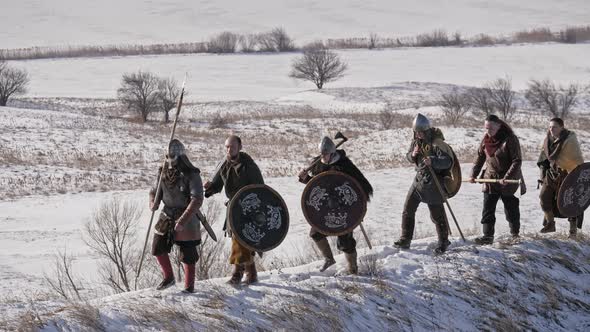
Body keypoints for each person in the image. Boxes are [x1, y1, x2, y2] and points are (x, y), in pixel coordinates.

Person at [298, 135, 373, 274]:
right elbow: (317, 186)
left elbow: (364, 187)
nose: (323, 157)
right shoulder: (318, 164)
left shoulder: (344, 166)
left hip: (345, 209)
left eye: (325, 154)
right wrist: (306, 179)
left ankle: (353, 269)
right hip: (326, 208)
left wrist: (358, 208)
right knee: (316, 233)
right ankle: (329, 259)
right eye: (322, 154)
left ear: (332, 153)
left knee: (345, 242)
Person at [204, 135, 264, 285]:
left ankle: (237, 274)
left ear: (239, 147)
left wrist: (255, 207)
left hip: (249, 209)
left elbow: (260, 188)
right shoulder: (224, 165)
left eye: (232, 146)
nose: (229, 149)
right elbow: (217, 185)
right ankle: (252, 274)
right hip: (233, 208)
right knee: (242, 240)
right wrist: (209, 188)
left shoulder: (249, 166)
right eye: (227, 147)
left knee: (240, 240)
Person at [393, 113, 454, 254]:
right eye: (416, 132)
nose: (418, 135)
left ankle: (443, 241)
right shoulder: (416, 142)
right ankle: (405, 239)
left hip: (434, 183)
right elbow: (408, 157)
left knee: (437, 215)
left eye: (420, 132)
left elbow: (447, 161)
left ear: (426, 130)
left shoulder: (437, 143)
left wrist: (433, 160)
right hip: (419, 180)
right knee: (408, 209)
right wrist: (413, 155)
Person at [149, 139, 203, 293]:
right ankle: (169, 277)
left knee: (188, 253)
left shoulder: (191, 174)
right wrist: (153, 202)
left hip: (187, 214)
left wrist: (183, 220)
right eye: (167, 155)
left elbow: (197, 199)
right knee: (158, 246)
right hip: (167, 213)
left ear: (180, 155)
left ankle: (189, 285)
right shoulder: (162, 172)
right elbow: (154, 190)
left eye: (172, 155)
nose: (170, 158)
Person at [468, 114, 525, 245]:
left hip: (508, 180)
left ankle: (515, 234)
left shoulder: (510, 139)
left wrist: (507, 178)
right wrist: (473, 174)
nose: (488, 131)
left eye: (491, 128)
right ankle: (487, 237)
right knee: (488, 208)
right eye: (486, 128)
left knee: (511, 209)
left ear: (499, 126)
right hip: (490, 179)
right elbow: (480, 158)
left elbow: (517, 161)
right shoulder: (485, 139)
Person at [537, 117, 584, 237]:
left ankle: (572, 232)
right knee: (544, 197)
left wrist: (572, 174)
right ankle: (550, 223)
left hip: (568, 175)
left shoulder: (570, 139)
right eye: (550, 127)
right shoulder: (548, 140)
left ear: (561, 127)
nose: (551, 129)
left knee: (570, 202)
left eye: (555, 127)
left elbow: (575, 159)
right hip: (552, 175)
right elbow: (544, 159)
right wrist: (542, 175)